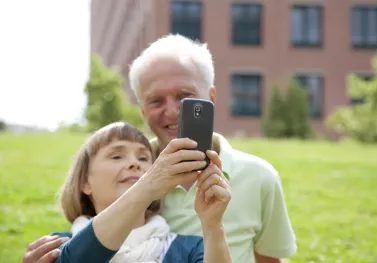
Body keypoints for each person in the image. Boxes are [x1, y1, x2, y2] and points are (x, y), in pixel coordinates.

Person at [21, 34, 296, 263]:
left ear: (211, 97)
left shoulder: (259, 177)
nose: (173, 112)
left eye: (186, 97)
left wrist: (213, 226)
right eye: (156, 101)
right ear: (142, 110)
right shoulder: (131, 178)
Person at [25, 122, 232, 263]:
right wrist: (147, 186)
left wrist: (213, 226)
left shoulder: (189, 248)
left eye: (143, 159)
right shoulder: (56, 245)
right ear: (85, 182)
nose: (134, 163)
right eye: (117, 156)